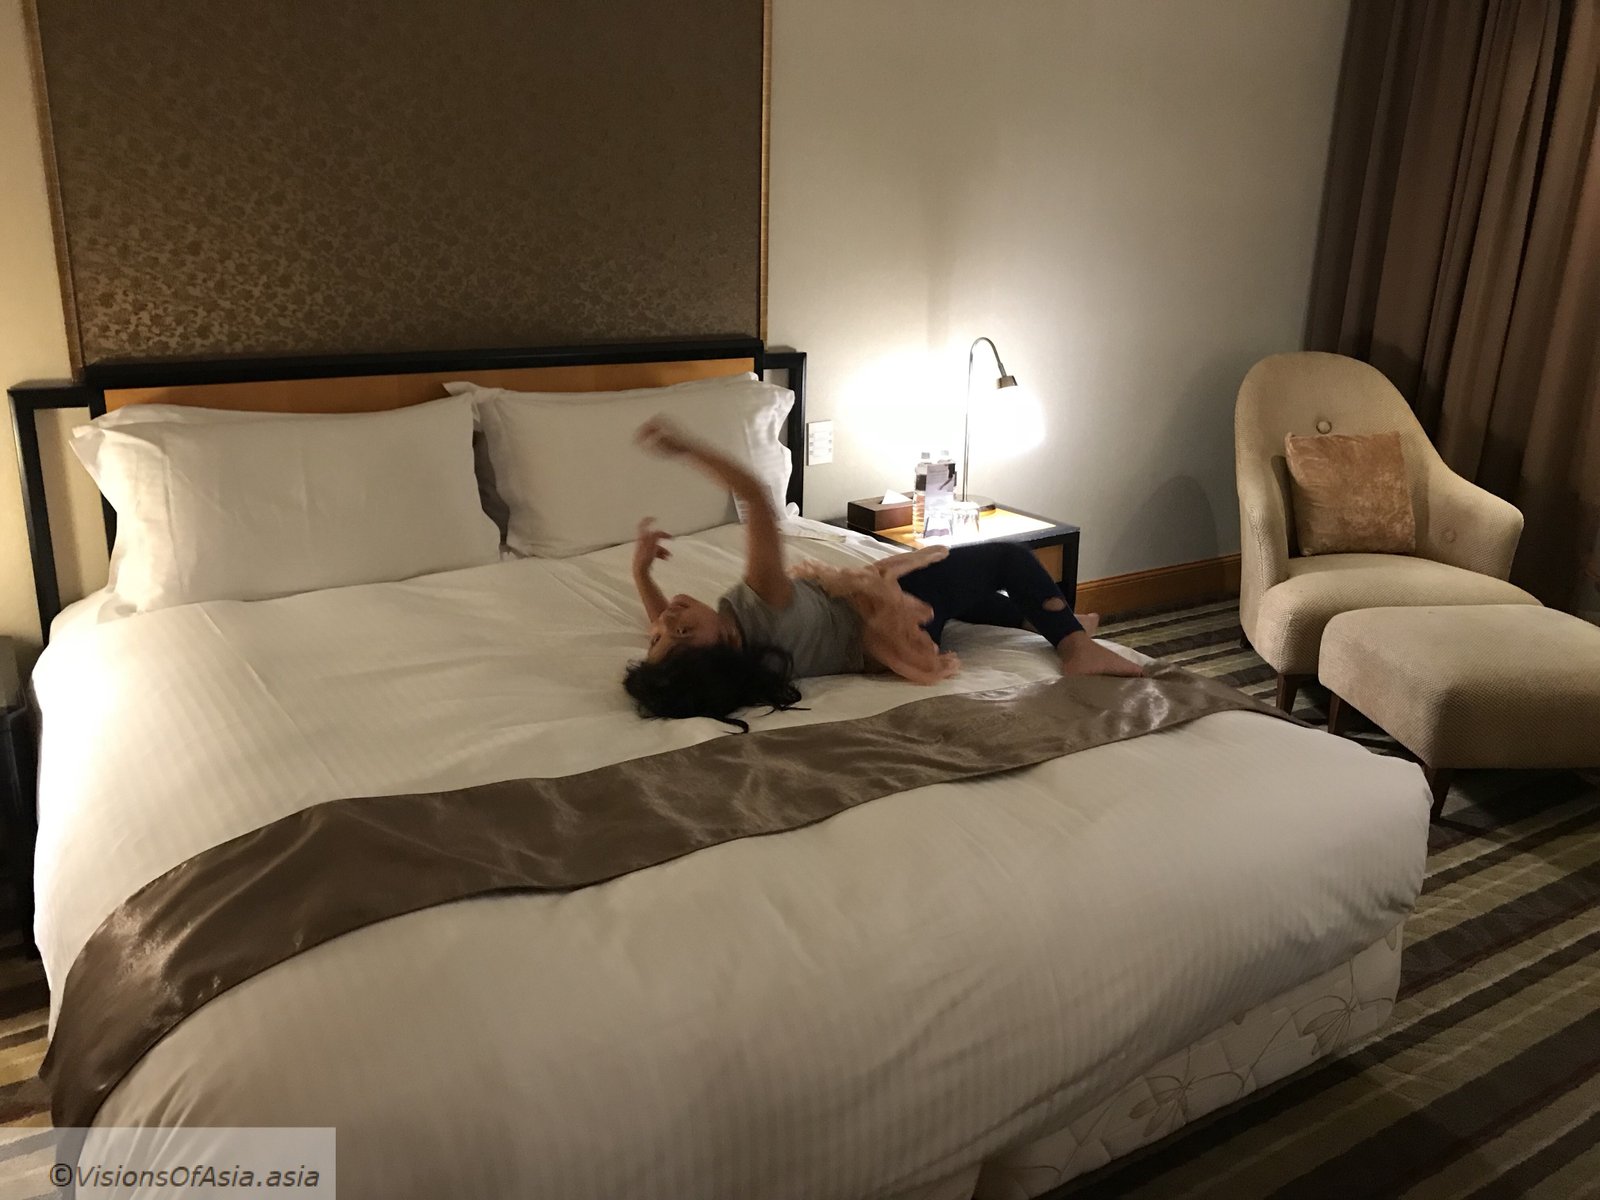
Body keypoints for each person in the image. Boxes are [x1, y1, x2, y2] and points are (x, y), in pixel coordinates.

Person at [624, 416, 1141, 729]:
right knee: (1006, 559)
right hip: (890, 616)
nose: (669, 619)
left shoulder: (744, 666)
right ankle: (1075, 645)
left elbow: (663, 629)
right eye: (682, 631)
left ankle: (1034, 620)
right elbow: (757, 497)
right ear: (722, 648)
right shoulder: (764, 601)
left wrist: (642, 573)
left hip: (888, 647)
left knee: (966, 597)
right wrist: (688, 449)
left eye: (661, 636)